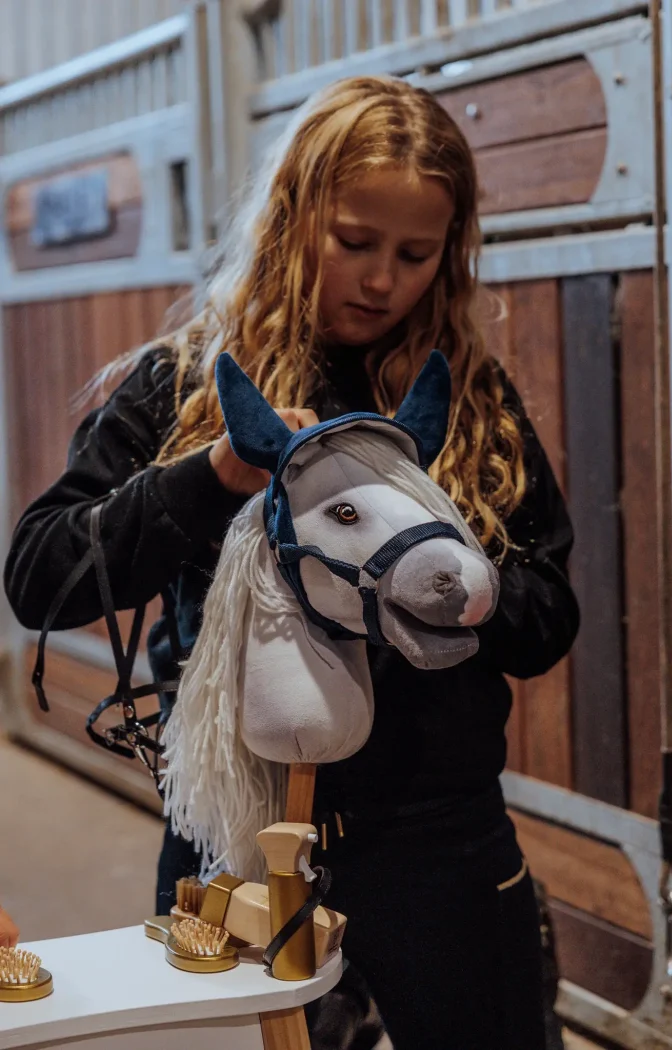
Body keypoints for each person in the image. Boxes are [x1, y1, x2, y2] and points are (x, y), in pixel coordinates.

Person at [4, 76, 579, 1049]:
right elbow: (41, 576)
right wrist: (215, 475)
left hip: (439, 831)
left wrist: (455, 585)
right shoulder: (187, 382)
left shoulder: (466, 401)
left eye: (414, 254)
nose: (381, 279)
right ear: (293, 215)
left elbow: (547, 615)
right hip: (234, 839)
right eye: (353, 242)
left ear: (449, 253)